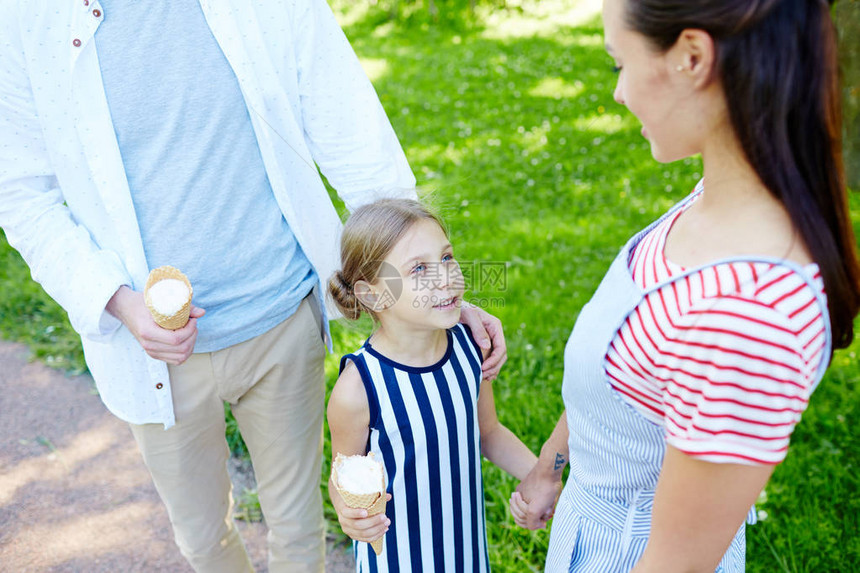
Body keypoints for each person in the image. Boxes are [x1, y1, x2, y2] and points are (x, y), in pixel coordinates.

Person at [0, 2, 506, 572]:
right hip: (148, 354)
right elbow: (21, 194)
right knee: (202, 540)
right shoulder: (24, 17)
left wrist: (428, 295)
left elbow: (355, 135)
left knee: (297, 530)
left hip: (281, 317)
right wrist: (119, 302)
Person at [509, 0, 860, 571]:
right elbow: (620, 368)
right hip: (592, 528)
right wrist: (554, 466)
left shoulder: (749, 317)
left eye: (618, 63)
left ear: (692, 57)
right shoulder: (714, 202)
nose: (618, 93)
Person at [326, 199, 537, 572]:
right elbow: (343, 474)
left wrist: (543, 478)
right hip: (396, 561)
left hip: (467, 552)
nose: (446, 277)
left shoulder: (471, 348)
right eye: (420, 268)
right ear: (374, 294)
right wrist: (347, 512)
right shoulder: (358, 389)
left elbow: (488, 432)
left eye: (447, 257)